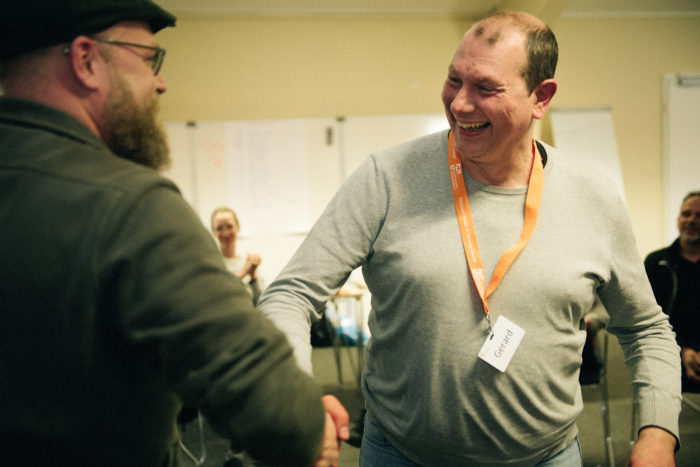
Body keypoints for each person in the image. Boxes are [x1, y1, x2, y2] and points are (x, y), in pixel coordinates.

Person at [258, 10, 681, 466]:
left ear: (541, 97)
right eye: (453, 80)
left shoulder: (593, 197)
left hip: (546, 457)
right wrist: (298, 397)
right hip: (399, 454)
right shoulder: (387, 178)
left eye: (485, 88)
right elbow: (289, 295)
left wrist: (659, 433)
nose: (459, 103)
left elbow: (646, 328)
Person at [0, 1, 348, 465]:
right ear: (86, 60)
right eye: (149, 59)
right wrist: (310, 424)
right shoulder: (132, 207)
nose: (160, 82)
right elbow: (275, 409)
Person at [645, 190, 700, 393]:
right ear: (678, 219)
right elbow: (646, 317)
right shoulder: (656, 263)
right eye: (686, 214)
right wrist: (681, 349)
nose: (691, 220)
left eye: (699, 215)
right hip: (667, 353)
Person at [211, 206, 266, 304]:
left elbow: (262, 302)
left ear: (238, 227)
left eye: (229, 226)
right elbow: (217, 297)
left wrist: (253, 276)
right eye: (219, 228)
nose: (226, 233)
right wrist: (243, 272)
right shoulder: (212, 264)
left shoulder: (247, 263)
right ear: (213, 232)